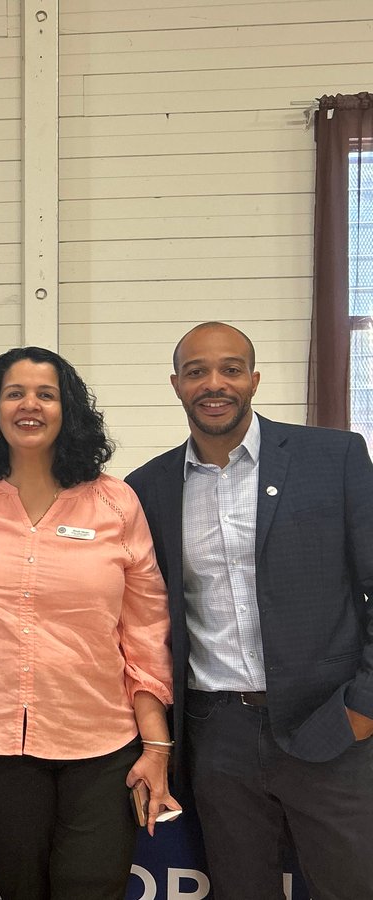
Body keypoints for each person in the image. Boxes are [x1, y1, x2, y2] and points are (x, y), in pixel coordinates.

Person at [0, 347, 177, 900]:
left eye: (45, 394)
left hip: (101, 748)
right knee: (20, 889)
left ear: (68, 409)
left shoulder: (114, 502)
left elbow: (146, 634)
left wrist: (156, 748)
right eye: (15, 393)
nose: (29, 405)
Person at [125, 322, 373, 900]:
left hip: (329, 723)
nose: (215, 384)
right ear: (176, 385)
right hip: (217, 736)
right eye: (197, 372)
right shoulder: (148, 487)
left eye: (231, 369)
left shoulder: (332, 457)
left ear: (255, 379)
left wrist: (364, 706)